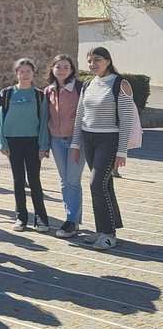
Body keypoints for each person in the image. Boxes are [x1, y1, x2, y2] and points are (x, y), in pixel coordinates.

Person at [70, 48, 135, 251]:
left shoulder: (120, 84)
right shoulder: (88, 84)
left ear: (108, 61)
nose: (92, 64)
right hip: (89, 139)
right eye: (89, 61)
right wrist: (75, 144)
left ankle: (109, 235)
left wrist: (122, 151)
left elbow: (126, 120)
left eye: (97, 60)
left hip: (109, 140)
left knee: (96, 184)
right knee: (104, 186)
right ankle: (103, 229)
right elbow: (80, 115)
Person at [0, 58, 50, 232]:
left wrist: (43, 146)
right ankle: (21, 218)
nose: (25, 75)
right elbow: (0, 120)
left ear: (33, 73)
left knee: (35, 180)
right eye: (21, 72)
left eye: (28, 71)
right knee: (18, 180)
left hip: (33, 141)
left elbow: (43, 122)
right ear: (16, 73)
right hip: (13, 142)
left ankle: (41, 219)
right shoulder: (7, 94)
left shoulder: (39, 95)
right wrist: (1, 142)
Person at [44, 55, 85, 239]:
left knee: (73, 181)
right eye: (58, 67)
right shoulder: (48, 91)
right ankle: (71, 219)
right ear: (52, 69)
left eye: (66, 67)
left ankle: (72, 222)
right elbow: (46, 119)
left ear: (72, 70)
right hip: (56, 141)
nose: (62, 70)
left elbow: (84, 115)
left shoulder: (79, 88)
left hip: (76, 141)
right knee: (64, 181)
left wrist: (77, 142)